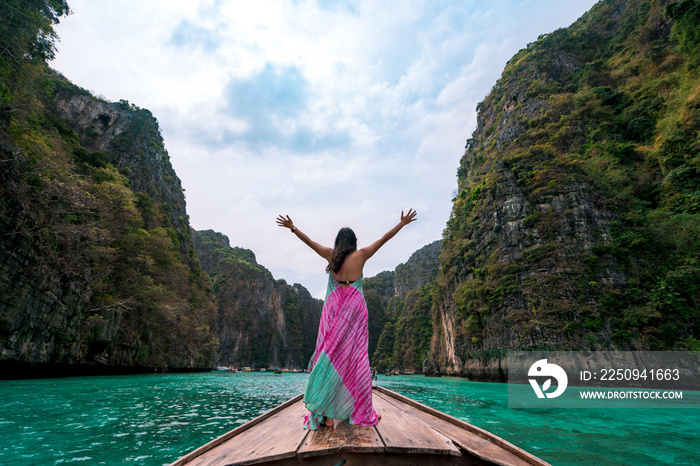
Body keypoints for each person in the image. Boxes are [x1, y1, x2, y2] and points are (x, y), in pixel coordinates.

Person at [276, 210, 417, 429]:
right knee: (357, 358)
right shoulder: (361, 255)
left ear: (338, 241)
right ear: (354, 242)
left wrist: (293, 228)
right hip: (355, 309)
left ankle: (327, 413)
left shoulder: (330, 255)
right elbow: (383, 239)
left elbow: (310, 242)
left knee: (330, 355)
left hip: (334, 308)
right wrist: (402, 224)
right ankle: (361, 411)